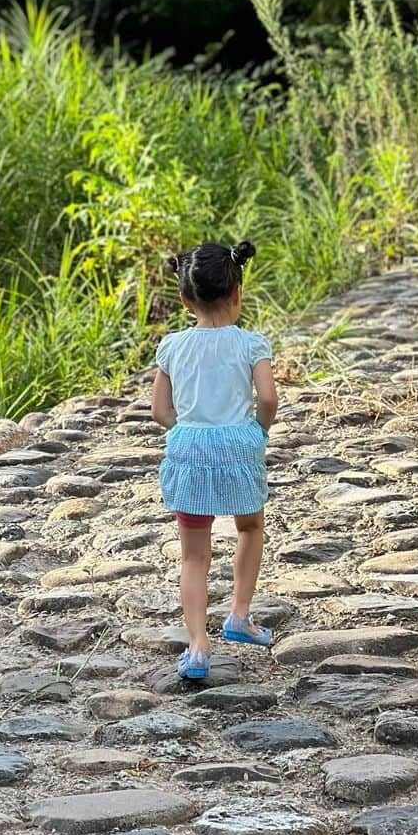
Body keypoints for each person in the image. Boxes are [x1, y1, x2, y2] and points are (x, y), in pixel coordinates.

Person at [150, 240, 278, 679]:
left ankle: (198, 646)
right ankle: (239, 616)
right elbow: (267, 398)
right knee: (250, 526)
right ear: (238, 293)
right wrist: (257, 429)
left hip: (190, 449)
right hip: (239, 448)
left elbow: (160, 412)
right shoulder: (251, 344)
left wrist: (185, 432)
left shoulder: (171, 347)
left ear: (185, 299)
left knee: (193, 556)